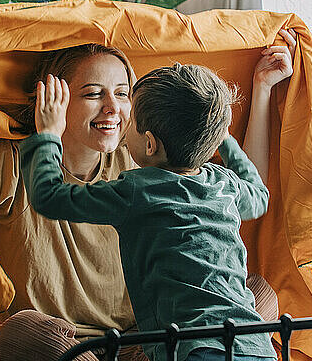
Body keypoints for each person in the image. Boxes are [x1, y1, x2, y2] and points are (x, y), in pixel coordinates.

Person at [0, 26, 294, 361]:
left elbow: (244, 190)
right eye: (94, 93)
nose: (113, 108)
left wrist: (260, 91)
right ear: (54, 99)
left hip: (139, 344)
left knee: (254, 294)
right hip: (57, 348)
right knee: (26, 331)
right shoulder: (12, 160)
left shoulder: (146, 161)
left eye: (124, 93)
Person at [19, 56, 293, 360]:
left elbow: (48, 196)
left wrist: (48, 134)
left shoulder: (137, 190)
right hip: (251, 344)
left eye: (132, 118)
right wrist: (223, 138)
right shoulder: (224, 184)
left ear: (149, 144)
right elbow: (260, 196)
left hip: (192, 350)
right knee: (254, 294)